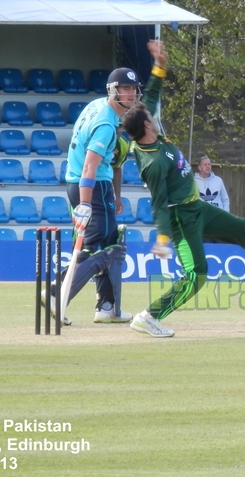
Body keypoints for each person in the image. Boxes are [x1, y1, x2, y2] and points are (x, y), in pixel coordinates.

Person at [121, 93, 245, 338]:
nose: (154, 116)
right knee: (197, 275)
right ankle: (148, 317)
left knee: (242, 227)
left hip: (197, 208)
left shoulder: (154, 136)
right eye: (150, 117)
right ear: (146, 125)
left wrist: (158, 66)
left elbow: (151, 97)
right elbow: (159, 204)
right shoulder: (153, 162)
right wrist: (163, 239)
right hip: (181, 219)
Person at [45, 40, 169, 324]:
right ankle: (55, 295)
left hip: (91, 186)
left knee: (112, 241)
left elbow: (112, 165)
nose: (131, 94)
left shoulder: (98, 107)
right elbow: (91, 164)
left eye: (133, 89)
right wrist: (86, 204)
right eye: (126, 89)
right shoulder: (105, 123)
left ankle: (107, 307)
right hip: (90, 187)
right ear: (114, 91)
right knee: (97, 248)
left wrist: (116, 195)